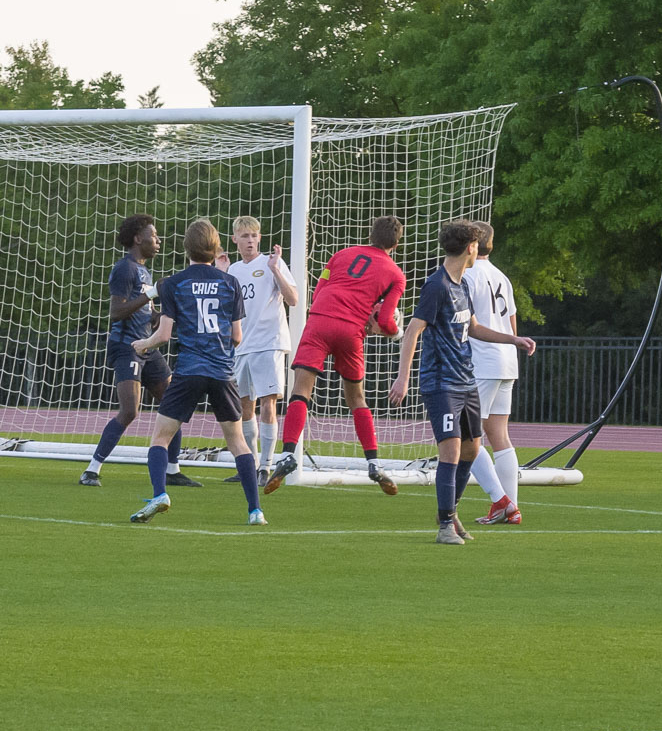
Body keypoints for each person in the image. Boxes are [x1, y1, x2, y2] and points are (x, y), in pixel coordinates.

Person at [387, 220, 536, 545]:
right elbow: (413, 331)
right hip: (441, 382)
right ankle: (444, 525)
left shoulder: (463, 285)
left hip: (467, 379)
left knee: (473, 447)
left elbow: (475, 328)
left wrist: (514, 339)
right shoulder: (437, 286)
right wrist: (403, 377)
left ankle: (452, 514)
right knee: (451, 450)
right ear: (470, 247)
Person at [128, 219, 264, 525]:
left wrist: (142, 345)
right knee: (238, 442)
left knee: (161, 438)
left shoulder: (174, 283)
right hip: (221, 371)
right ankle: (255, 510)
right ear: (216, 248)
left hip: (190, 370)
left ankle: (160, 493)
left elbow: (163, 335)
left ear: (186, 248)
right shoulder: (230, 283)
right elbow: (237, 336)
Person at [264, 215, 407, 495]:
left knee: (300, 392)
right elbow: (388, 320)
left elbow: (319, 290)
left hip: (319, 320)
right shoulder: (396, 274)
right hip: (351, 330)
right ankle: (374, 463)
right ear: (397, 244)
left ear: (370, 234)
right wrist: (393, 332)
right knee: (356, 398)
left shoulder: (340, 255)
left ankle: (288, 454)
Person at [77, 214, 198, 488]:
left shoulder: (143, 270)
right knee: (130, 411)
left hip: (147, 347)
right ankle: (91, 470)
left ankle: (172, 470)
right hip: (126, 347)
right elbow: (116, 312)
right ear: (137, 238)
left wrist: (159, 313)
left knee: (173, 405)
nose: (159, 241)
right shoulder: (125, 269)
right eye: (153, 236)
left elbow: (144, 309)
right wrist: (152, 294)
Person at [215, 216, 298, 485]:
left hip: (268, 342)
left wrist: (275, 269)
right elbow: (220, 306)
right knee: (243, 406)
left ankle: (266, 466)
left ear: (259, 238)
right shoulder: (233, 269)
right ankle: (248, 465)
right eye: (244, 235)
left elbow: (293, 299)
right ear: (235, 239)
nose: (250, 240)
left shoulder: (272, 263)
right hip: (241, 346)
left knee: (268, 403)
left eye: (254, 235)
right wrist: (222, 273)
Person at [462, 220, 522, 525]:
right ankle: (510, 506)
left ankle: (503, 502)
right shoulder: (502, 277)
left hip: (481, 362)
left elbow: (466, 324)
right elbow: (512, 325)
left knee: (465, 436)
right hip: (507, 360)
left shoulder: (468, 275)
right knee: (499, 435)